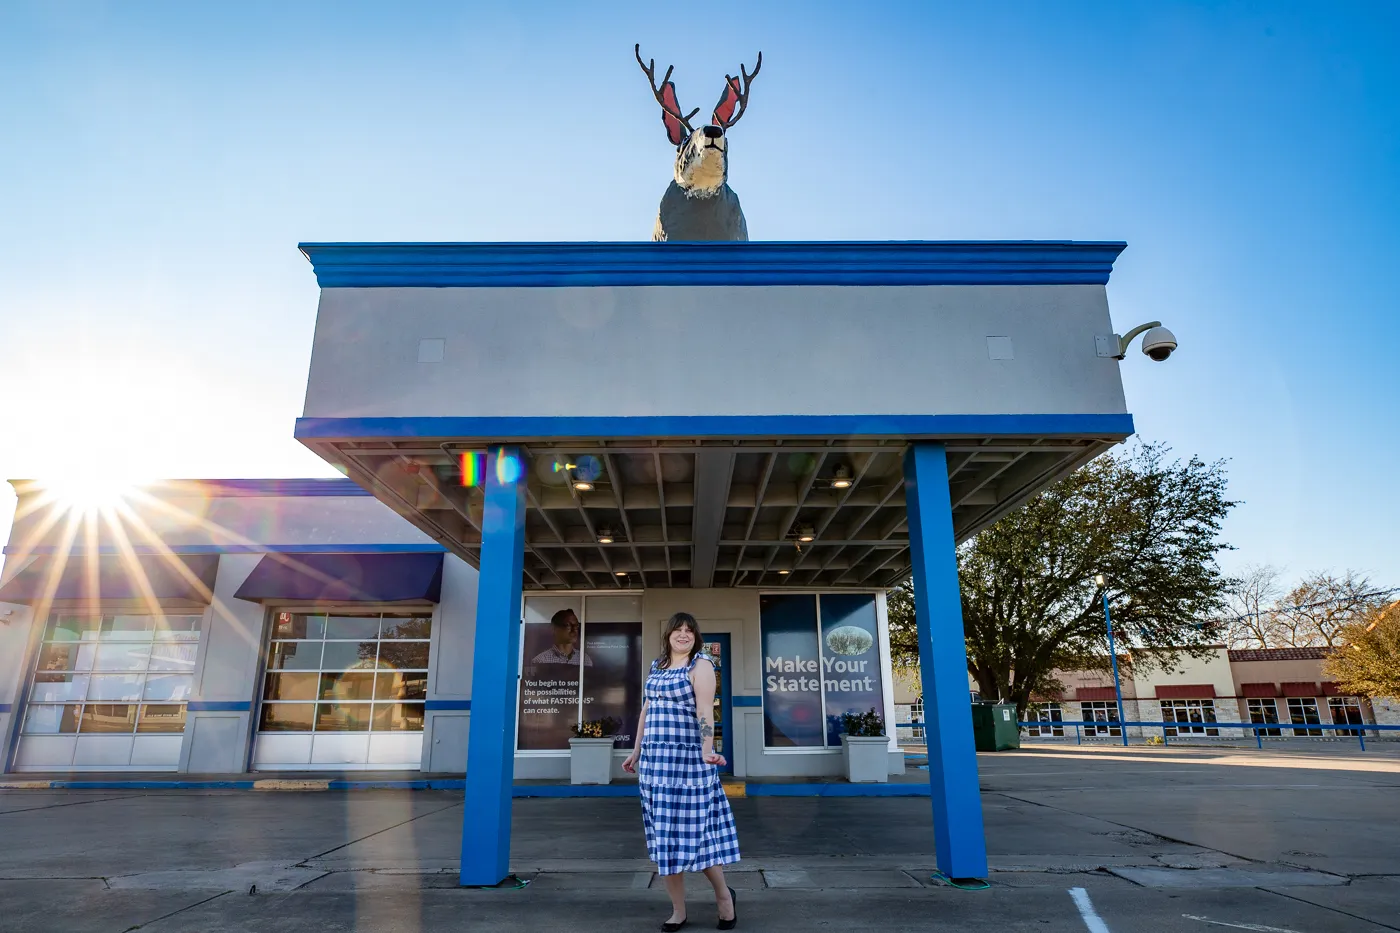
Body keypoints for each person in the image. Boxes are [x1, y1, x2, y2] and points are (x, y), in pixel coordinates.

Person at [623, 612, 739, 931]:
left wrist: (706, 748)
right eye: (678, 629)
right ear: (669, 635)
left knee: (697, 836)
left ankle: (723, 898)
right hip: (655, 764)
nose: (684, 633)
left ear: (696, 636)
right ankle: (678, 910)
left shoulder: (700, 665)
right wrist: (636, 751)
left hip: (689, 763)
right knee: (665, 839)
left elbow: (704, 711)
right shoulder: (657, 666)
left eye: (690, 629)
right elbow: (646, 710)